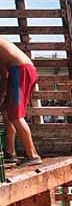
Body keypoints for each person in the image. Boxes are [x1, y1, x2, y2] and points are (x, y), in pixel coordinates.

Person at [0, 37, 40, 166]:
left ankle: (32, 155)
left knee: (15, 115)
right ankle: (10, 152)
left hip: (20, 70)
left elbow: (3, 73)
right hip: (20, 70)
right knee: (7, 112)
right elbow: (3, 73)